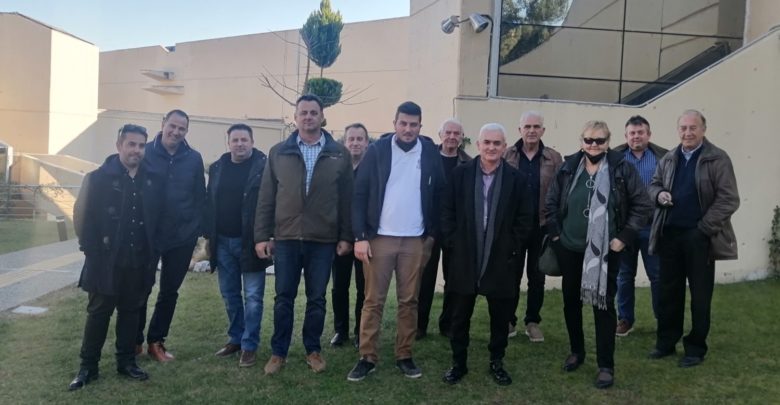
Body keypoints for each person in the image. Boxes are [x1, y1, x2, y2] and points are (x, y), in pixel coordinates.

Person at [545, 121, 652, 389]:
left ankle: (606, 365)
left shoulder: (621, 168)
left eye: (600, 140)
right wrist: (557, 237)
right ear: (581, 141)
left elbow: (642, 204)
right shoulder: (568, 167)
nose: (594, 145)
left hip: (606, 252)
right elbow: (551, 202)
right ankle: (577, 351)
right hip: (570, 248)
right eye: (589, 140)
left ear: (608, 141)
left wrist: (624, 237)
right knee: (571, 303)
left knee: (603, 307)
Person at [254, 94, 353, 375]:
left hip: (322, 240)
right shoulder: (278, 152)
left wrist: (346, 236)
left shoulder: (339, 154)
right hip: (286, 239)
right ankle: (278, 353)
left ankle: (313, 350)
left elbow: (347, 200)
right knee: (283, 298)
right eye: (303, 113)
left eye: (313, 112)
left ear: (322, 117)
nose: (308, 117)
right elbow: (266, 198)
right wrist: (262, 236)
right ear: (295, 117)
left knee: (317, 299)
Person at [347, 101, 445, 381]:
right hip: (379, 238)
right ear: (394, 124)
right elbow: (359, 194)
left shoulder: (429, 151)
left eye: (413, 125)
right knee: (373, 301)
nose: (408, 129)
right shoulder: (377, 150)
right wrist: (360, 236)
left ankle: (404, 355)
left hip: (414, 240)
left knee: (409, 301)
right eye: (403, 123)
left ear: (420, 126)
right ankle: (367, 357)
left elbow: (440, 193)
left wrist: (431, 234)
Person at [69, 124, 163, 390]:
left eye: (141, 145)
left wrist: (153, 250)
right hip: (105, 261)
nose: (137, 150)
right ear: (119, 145)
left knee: (131, 313)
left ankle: (126, 362)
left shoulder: (152, 180)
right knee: (98, 314)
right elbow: (82, 217)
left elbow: (158, 218)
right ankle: (88, 367)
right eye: (131, 144)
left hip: (139, 260)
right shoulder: (97, 178)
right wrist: (92, 251)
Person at [440, 123, 533, 386]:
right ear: (478, 145)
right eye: (487, 142)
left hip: (500, 258)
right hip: (464, 256)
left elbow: (525, 218)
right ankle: (458, 363)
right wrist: (453, 242)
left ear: (505, 147)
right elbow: (446, 211)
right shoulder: (460, 174)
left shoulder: (516, 179)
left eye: (497, 143)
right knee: (459, 315)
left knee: (500, 316)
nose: (491, 147)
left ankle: (497, 361)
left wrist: (512, 246)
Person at [647, 110, 739, 368]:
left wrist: (703, 228)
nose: (687, 133)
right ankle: (666, 343)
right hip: (669, 236)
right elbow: (653, 185)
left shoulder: (717, 158)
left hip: (700, 238)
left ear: (703, 129)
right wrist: (659, 195)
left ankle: (696, 348)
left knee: (700, 296)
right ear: (678, 130)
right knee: (668, 293)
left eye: (693, 127)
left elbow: (729, 199)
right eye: (683, 128)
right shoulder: (669, 158)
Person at [138, 109, 206, 362]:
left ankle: (156, 342)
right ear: (163, 124)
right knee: (142, 288)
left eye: (182, 128)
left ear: (186, 131)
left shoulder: (193, 158)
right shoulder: (145, 152)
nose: (176, 132)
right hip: (149, 235)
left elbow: (200, 195)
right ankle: (135, 340)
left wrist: (195, 227)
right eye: (172, 126)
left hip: (182, 237)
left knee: (169, 292)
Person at [204, 124, 272, 368]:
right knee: (230, 294)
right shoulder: (218, 168)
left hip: (252, 242)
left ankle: (249, 345)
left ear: (252, 141)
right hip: (222, 241)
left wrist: (268, 236)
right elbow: (210, 201)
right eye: (235, 140)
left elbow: (271, 203)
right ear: (228, 143)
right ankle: (236, 338)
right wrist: (208, 235)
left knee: (253, 296)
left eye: (244, 139)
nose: (240, 144)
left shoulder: (264, 167)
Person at [504, 111, 562, 342]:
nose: (531, 130)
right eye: (527, 126)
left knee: (537, 278)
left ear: (543, 130)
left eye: (536, 126)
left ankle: (532, 322)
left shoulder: (553, 158)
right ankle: (508, 320)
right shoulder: (507, 155)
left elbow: (560, 192)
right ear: (519, 130)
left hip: (541, 227)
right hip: (514, 228)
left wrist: (556, 225)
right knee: (511, 276)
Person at [612, 116, 667, 336]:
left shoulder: (663, 157)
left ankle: (662, 319)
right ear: (626, 136)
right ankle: (625, 319)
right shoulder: (615, 158)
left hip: (652, 226)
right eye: (632, 133)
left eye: (640, 132)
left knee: (657, 275)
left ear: (648, 134)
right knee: (624, 275)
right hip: (625, 228)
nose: (636, 136)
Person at [417, 118, 471, 340]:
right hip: (429, 226)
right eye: (448, 132)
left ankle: (447, 324)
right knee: (425, 278)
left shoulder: (468, 164)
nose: (452, 137)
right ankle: (419, 325)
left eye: (456, 133)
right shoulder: (427, 158)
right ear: (440, 135)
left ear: (462, 138)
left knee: (453, 279)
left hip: (455, 229)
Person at [330, 123, 370, 348]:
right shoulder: (337, 170)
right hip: (341, 238)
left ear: (366, 142)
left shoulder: (373, 170)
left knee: (364, 288)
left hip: (365, 238)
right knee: (339, 287)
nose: (355, 143)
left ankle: (360, 332)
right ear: (344, 143)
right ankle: (341, 330)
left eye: (359, 139)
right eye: (351, 139)